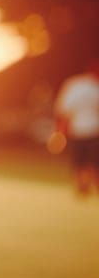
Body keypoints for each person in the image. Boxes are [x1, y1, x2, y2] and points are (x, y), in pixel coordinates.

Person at [54, 60, 99, 195]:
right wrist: (60, 133)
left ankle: (88, 187)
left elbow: (64, 111)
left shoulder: (75, 85)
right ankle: (84, 187)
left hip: (87, 131)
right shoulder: (81, 86)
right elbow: (65, 112)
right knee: (84, 162)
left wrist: (59, 133)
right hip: (85, 130)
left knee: (88, 162)